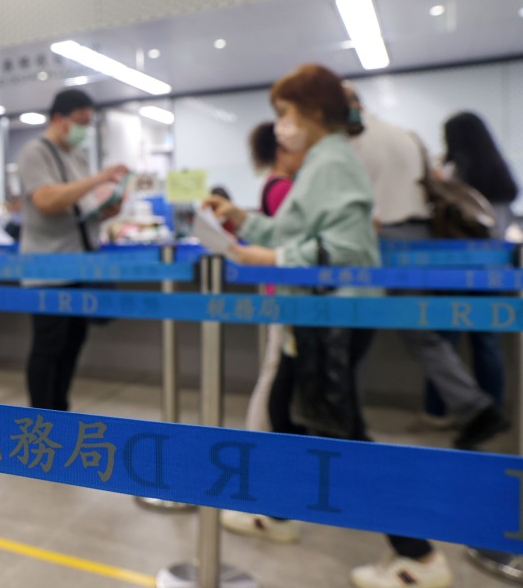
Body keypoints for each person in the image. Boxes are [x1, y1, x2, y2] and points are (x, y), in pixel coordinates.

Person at [207, 64, 451, 588]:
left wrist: (272, 257)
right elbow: (299, 228)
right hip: (314, 315)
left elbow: (346, 248)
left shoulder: (334, 161)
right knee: (285, 410)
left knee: (343, 432)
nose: (281, 127)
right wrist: (242, 218)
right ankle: (277, 512)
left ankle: (421, 557)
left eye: (285, 114)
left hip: (334, 316)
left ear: (314, 113)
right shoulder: (323, 161)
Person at [345, 86, 509, 447]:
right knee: (420, 330)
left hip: (381, 237)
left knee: (354, 333)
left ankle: (349, 424)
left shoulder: (353, 142)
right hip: (420, 238)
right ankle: (476, 407)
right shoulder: (406, 135)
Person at [17, 89, 127, 411]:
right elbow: (47, 200)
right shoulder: (34, 152)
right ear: (58, 119)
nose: (83, 130)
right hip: (48, 269)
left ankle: (59, 410)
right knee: (47, 347)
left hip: (79, 265)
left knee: (73, 343)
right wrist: (96, 180)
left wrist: (109, 204)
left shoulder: (76, 156)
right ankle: (42, 417)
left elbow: (80, 207)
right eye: (80, 122)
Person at [428, 112, 520, 419]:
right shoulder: (502, 174)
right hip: (494, 271)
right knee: (487, 343)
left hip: (455, 269)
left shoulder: (453, 175)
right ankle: (491, 410)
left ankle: (440, 411)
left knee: (444, 342)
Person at [242, 121, 303, 431]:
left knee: (279, 362)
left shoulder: (273, 184)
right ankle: (260, 430)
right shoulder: (283, 188)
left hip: (277, 287)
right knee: (275, 365)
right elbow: (291, 240)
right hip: (284, 290)